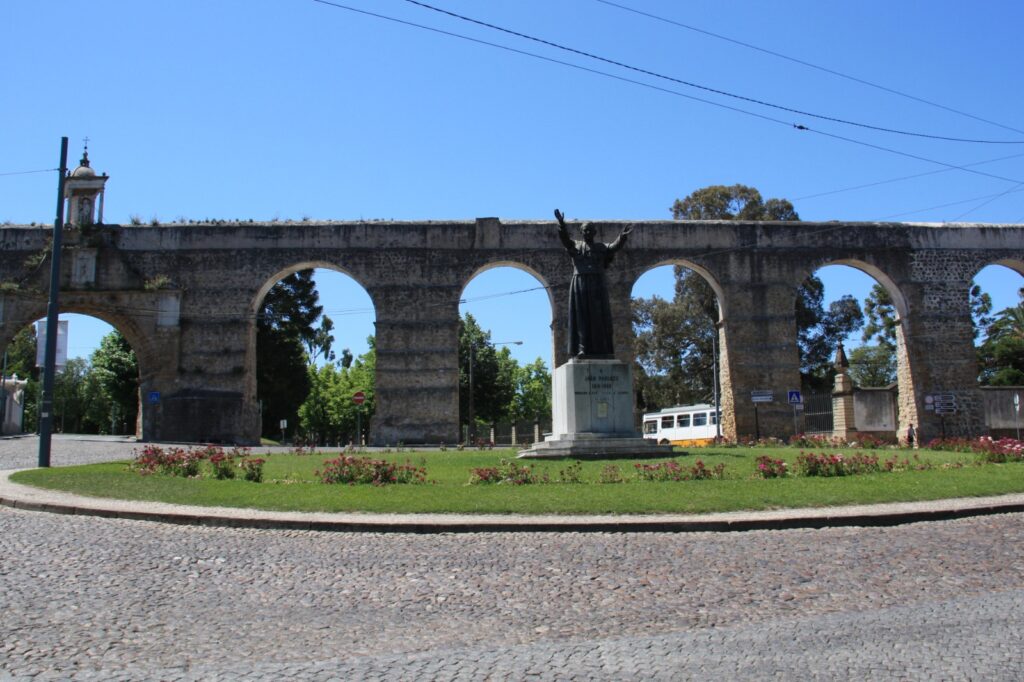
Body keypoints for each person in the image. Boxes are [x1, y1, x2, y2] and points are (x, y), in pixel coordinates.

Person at [554, 209, 632, 358]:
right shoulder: (575, 245)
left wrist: (622, 237)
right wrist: (562, 224)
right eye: (585, 230)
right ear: (581, 232)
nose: (587, 233)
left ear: (595, 232)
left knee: (598, 316)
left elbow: (614, 247)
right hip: (580, 282)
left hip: (597, 283)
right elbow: (565, 239)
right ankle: (582, 348)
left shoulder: (601, 248)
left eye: (590, 230)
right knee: (581, 316)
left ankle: (601, 349)